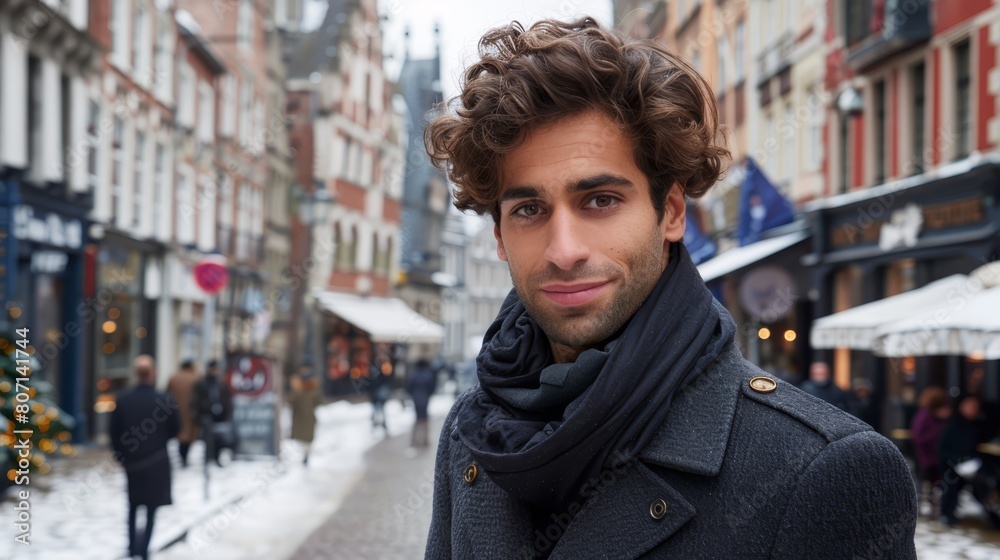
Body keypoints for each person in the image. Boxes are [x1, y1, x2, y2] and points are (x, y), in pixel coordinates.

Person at [423, 18, 916, 559]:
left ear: (672, 212)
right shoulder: (472, 433)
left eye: (601, 200)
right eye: (530, 210)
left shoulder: (819, 469)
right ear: (499, 236)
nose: (564, 250)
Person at [110, 355, 180, 560]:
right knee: (151, 508)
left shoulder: (123, 399)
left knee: (133, 506)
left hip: (132, 462)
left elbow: (114, 431)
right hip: (157, 460)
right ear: (152, 373)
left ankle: (133, 549)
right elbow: (175, 430)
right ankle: (144, 549)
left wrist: (121, 455)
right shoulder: (165, 400)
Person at [937, 395, 999, 527]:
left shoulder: (980, 425)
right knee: (951, 481)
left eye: (975, 407)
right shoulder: (952, 425)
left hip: (976, 465)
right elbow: (943, 450)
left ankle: (994, 515)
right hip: (953, 466)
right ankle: (947, 514)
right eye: (970, 406)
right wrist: (958, 463)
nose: (972, 410)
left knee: (986, 480)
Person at [911, 386, 950, 509]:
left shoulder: (938, 418)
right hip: (929, 457)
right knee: (934, 481)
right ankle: (935, 504)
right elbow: (919, 437)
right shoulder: (925, 417)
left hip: (937, 456)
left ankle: (937, 504)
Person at [193, 359, 235, 466]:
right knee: (208, 438)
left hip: (220, 416)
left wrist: (227, 411)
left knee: (219, 439)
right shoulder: (202, 383)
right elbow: (196, 400)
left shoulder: (221, 382)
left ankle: (216, 457)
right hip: (207, 415)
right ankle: (209, 457)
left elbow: (227, 398)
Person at [166, 359, 200, 467]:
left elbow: (167, 393)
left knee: (181, 435)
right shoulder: (194, 378)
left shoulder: (173, 377)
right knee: (188, 436)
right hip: (190, 412)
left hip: (176, 410)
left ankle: (182, 456)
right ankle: (184, 456)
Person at [289, 365, 323, 465]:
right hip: (304, 420)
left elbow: (290, 401)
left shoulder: (305, 393)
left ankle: (304, 457)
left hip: (304, 420)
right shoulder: (303, 393)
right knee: (304, 441)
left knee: (304, 441)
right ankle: (304, 456)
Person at [406, 358, 438, 448]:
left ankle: (414, 440)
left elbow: (408, 387)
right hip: (425, 398)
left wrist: (413, 394)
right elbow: (432, 387)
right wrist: (427, 394)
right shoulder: (428, 374)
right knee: (424, 419)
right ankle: (425, 440)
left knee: (417, 419)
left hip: (416, 398)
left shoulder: (413, 374)